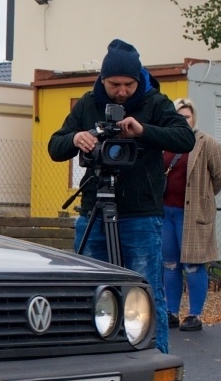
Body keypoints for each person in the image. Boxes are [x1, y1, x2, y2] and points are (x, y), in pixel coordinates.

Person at [47, 39, 194, 353]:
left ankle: (155, 363)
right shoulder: (87, 104)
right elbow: (55, 147)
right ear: (102, 79)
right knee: (89, 292)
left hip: (141, 214)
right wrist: (76, 137)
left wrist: (143, 131)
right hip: (95, 212)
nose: (122, 91)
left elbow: (184, 138)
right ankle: (89, 362)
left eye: (129, 84)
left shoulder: (156, 102)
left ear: (138, 80)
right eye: (115, 84)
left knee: (147, 291)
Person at [162, 99, 221, 332]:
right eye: (178, 116)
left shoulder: (207, 144)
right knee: (170, 265)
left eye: (187, 117)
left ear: (194, 118)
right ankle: (170, 312)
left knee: (193, 265)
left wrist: (203, 199)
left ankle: (194, 315)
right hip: (165, 213)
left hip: (192, 215)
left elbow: (220, 175)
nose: (182, 120)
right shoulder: (163, 141)